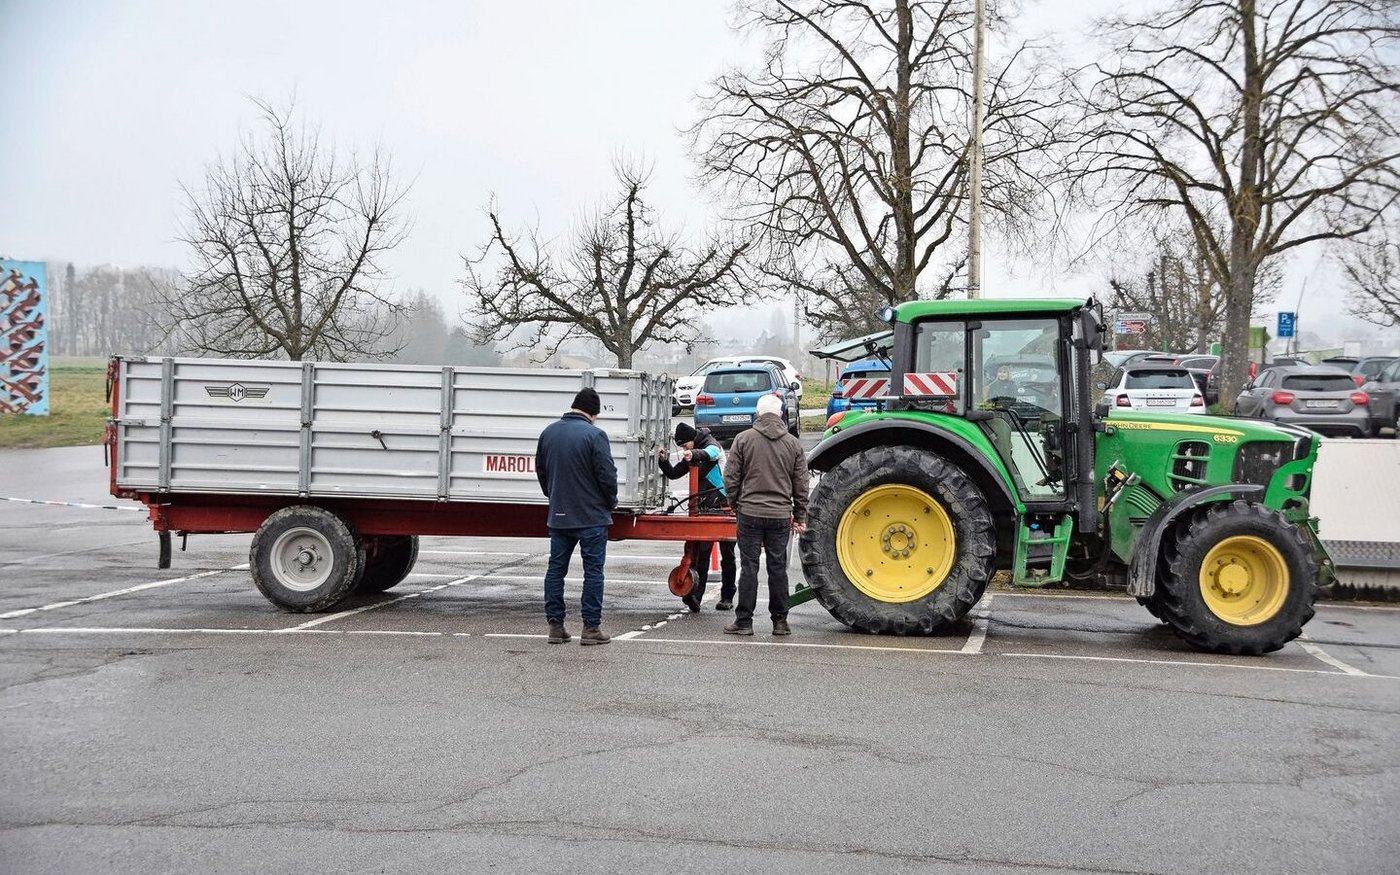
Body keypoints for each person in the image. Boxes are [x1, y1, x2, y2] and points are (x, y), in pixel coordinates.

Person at [535, 387, 618, 645]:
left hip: (559, 515)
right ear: (593, 413)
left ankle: (555, 627)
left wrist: (554, 496)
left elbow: (541, 470)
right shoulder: (595, 435)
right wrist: (610, 502)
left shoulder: (548, 433)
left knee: (555, 570)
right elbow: (607, 475)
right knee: (593, 572)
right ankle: (591, 628)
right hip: (592, 516)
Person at [722, 393, 810, 637]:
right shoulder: (793, 444)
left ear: (757, 414)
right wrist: (800, 515)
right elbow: (801, 483)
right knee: (777, 568)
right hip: (780, 515)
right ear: (781, 414)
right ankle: (780, 622)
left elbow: (730, 477)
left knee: (748, 567)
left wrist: (734, 503)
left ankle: (744, 622)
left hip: (749, 512)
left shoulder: (743, 439)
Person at [656, 422, 737, 612]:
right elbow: (674, 473)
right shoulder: (691, 453)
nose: (684, 449)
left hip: (724, 505)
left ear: (692, 440)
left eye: (685, 446)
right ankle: (696, 597)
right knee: (702, 555)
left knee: (728, 556)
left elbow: (712, 453)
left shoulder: (710, 443)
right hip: (704, 508)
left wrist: (693, 454)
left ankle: (727, 596)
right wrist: (663, 461)